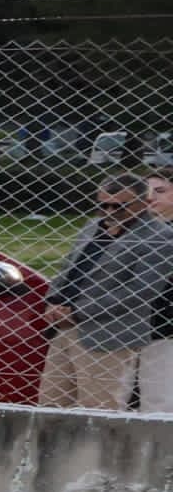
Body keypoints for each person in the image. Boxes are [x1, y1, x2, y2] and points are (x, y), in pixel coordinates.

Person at [47, 167, 173, 413]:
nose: (153, 198)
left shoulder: (160, 237)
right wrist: (55, 301)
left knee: (156, 401)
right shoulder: (96, 227)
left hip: (152, 328)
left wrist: (79, 311)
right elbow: (69, 267)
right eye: (149, 191)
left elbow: (141, 288)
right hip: (94, 323)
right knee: (56, 401)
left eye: (160, 191)